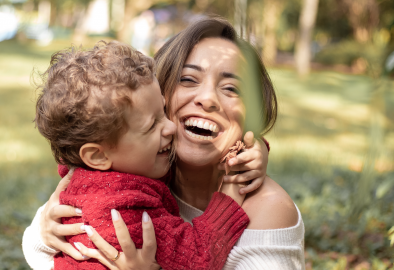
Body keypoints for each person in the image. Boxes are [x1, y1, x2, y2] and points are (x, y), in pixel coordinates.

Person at [23, 17, 304, 270]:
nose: (207, 98)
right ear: (163, 88)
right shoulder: (124, 188)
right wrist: (47, 232)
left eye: (231, 88)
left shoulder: (269, 210)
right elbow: (37, 248)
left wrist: (252, 151)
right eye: (188, 79)